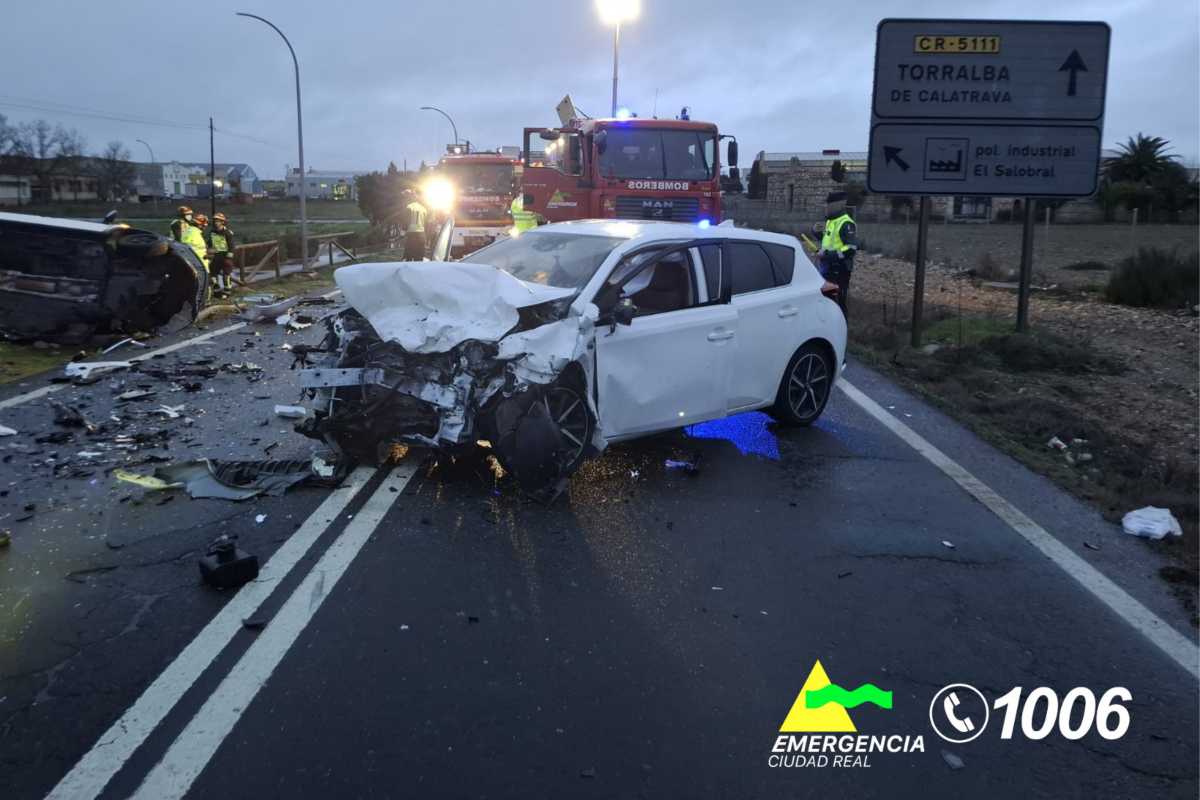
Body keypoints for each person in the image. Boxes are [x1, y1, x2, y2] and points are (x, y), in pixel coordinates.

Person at [816, 191, 858, 317]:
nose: (826, 208)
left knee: (838, 304)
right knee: (828, 301)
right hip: (828, 269)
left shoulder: (846, 223)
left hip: (840, 270)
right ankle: (829, 325)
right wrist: (817, 234)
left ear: (837, 205)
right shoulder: (831, 221)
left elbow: (851, 249)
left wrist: (828, 255)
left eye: (828, 205)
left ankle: (842, 325)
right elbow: (830, 241)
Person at [206, 212, 236, 295]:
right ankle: (217, 291)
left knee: (226, 275)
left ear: (223, 222)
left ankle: (227, 292)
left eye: (218, 221)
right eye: (215, 221)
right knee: (213, 274)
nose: (216, 223)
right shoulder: (212, 232)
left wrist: (229, 258)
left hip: (225, 256)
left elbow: (231, 246)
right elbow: (209, 242)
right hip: (216, 255)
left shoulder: (227, 233)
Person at [403, 192, 428, 261]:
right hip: (421, 235)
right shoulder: (424, 209)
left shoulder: (409, 207)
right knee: (419, 258)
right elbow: (426, 223)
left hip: (411, 235)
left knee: (409, 257)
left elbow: (406, 220)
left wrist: (403, 231)